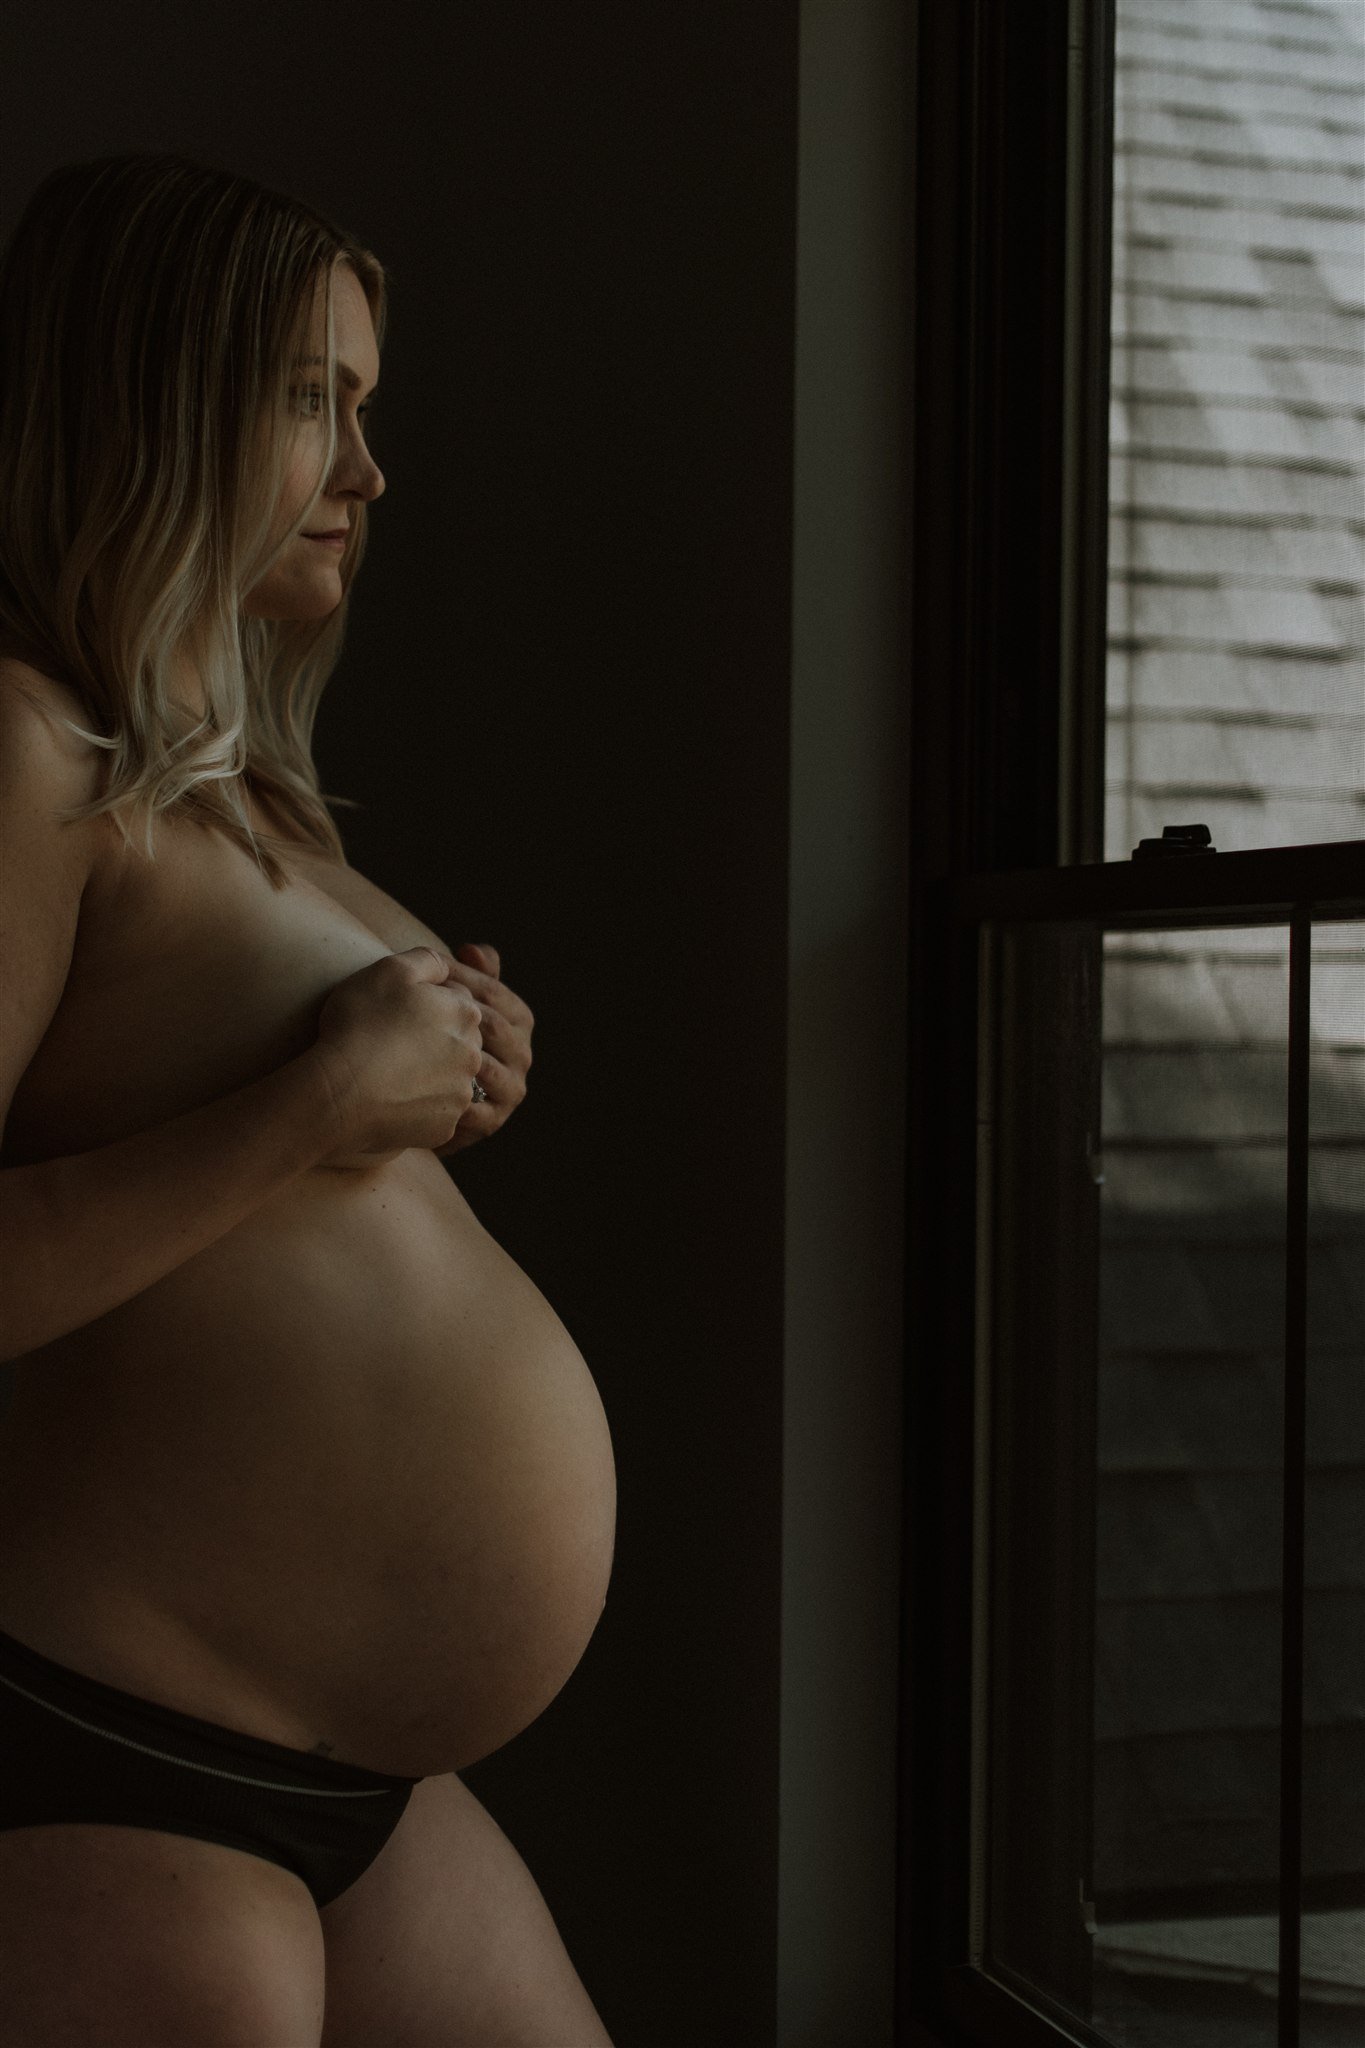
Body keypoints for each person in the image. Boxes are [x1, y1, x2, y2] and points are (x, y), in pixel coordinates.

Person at [0, 152, 616, 2046]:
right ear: (149, 402)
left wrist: (431, 1097)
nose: (366, 471)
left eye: (366, 408)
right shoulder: (22, 744)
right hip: (118, 1749)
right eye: (305, 400)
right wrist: (317, 1101)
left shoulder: (241, 795)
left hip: (363, 1784)